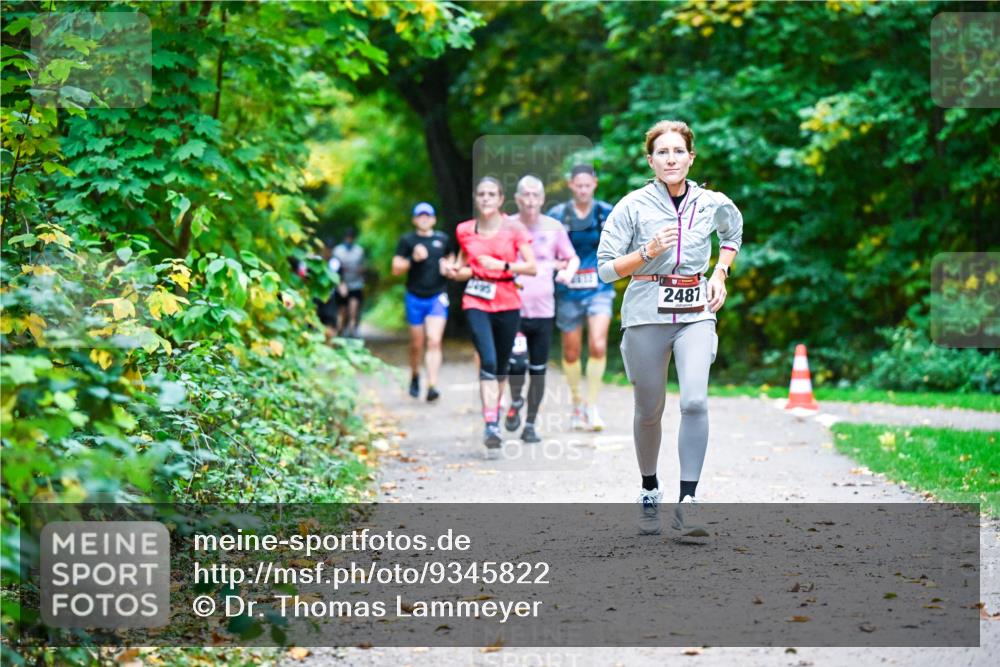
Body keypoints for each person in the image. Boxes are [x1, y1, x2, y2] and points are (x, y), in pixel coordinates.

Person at [596, 120, 743, 538]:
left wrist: (721, 272)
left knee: (694, 401)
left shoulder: (711, 201)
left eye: (679, 151)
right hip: (646, 312)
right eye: (663, 152)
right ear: (651, 160)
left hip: (696, 309)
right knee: (649, 410)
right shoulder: (632, 205)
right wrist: (646, 251)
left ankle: (689, 502)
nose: (671, 158)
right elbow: (606, 269)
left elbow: (732, 231)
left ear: (691, 157)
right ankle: (649, 489)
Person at [443, 177, 537, 453]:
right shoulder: (464, 230)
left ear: (500, 199)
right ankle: (491, 422)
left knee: (502, 365)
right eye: (481, 194)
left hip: (508, 300)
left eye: (491, 194)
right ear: (476, 198)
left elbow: (531, 267)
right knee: (489, 359)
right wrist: (452, 270)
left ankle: (493, 413)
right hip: (476, 301)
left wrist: (502, 264)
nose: (485, 199)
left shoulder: (514, 228)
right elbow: (463, 268)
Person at [504, 175, 579, 443]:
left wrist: (567, 273)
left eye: (536, 195)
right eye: (526, 195)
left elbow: (572, 258)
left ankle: (531, 424)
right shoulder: (507, 226)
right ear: (518, 198)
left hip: (544, 311)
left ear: (543, 199)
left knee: (538, 370)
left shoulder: (553, 227)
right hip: (513, 310)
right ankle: (515, 401)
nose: (531, 200)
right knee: (517, 363)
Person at [546, 164, 616, 431]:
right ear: (571, 185)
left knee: (598, 345)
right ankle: (577, 404)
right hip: (568, 291)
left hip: (599, 287)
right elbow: (544, 250)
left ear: (595, 184)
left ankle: (592, 406)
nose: (584, 189)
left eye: (588, 184)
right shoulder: (557, 215)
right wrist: (556, 265)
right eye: (579, 184)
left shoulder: (605, 213)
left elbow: (621, 244)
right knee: (571, 351)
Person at [392, 202, 453, 402]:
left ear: (434, 219)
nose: (424, 219)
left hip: (437, 296)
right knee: (417, 344)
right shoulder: (408, 241)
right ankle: (415, 375)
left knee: (434, 340)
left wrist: (449, 267)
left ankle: (432, 385)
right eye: (420, 216)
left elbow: (452, 259)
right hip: (415, 296)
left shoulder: (442, 239)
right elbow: (396, 269)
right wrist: (412, 259)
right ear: (414, 219)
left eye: (428, 215)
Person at [333, 228, 366, 338]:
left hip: (356, 284)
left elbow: (363, 266)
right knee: (342, 311)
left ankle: (352, 331)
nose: (349, 240)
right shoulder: (337, 251)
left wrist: (360, 270)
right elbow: (334, 268)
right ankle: (340, 331)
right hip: (342, 284)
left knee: (354, 309)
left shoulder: (359, 251)